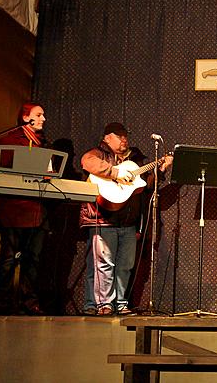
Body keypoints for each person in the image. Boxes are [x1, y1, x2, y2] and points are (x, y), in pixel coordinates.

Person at [80, 122, 171, 315]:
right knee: (103, 264)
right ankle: (102, 304)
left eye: (125, 136)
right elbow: (87, 162)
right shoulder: (98, 154)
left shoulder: (135, 160)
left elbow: (145, 185)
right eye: (119, 136)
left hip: (128, 221)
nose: (124, 139)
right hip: (103, 218)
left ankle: (120, 303)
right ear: (107, 138)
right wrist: (116, 173)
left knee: (125, 265)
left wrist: (160, 169)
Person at [0, 102, 49, 315]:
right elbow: (3, 172)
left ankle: (28, 302)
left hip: (36, 210)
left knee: (32, 260)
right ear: (26, 118)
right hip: (15, 209)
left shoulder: (43, 144)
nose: (43, 119)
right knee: (8, 258)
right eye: (39, 115)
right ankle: (1, 301)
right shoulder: (9, 141)